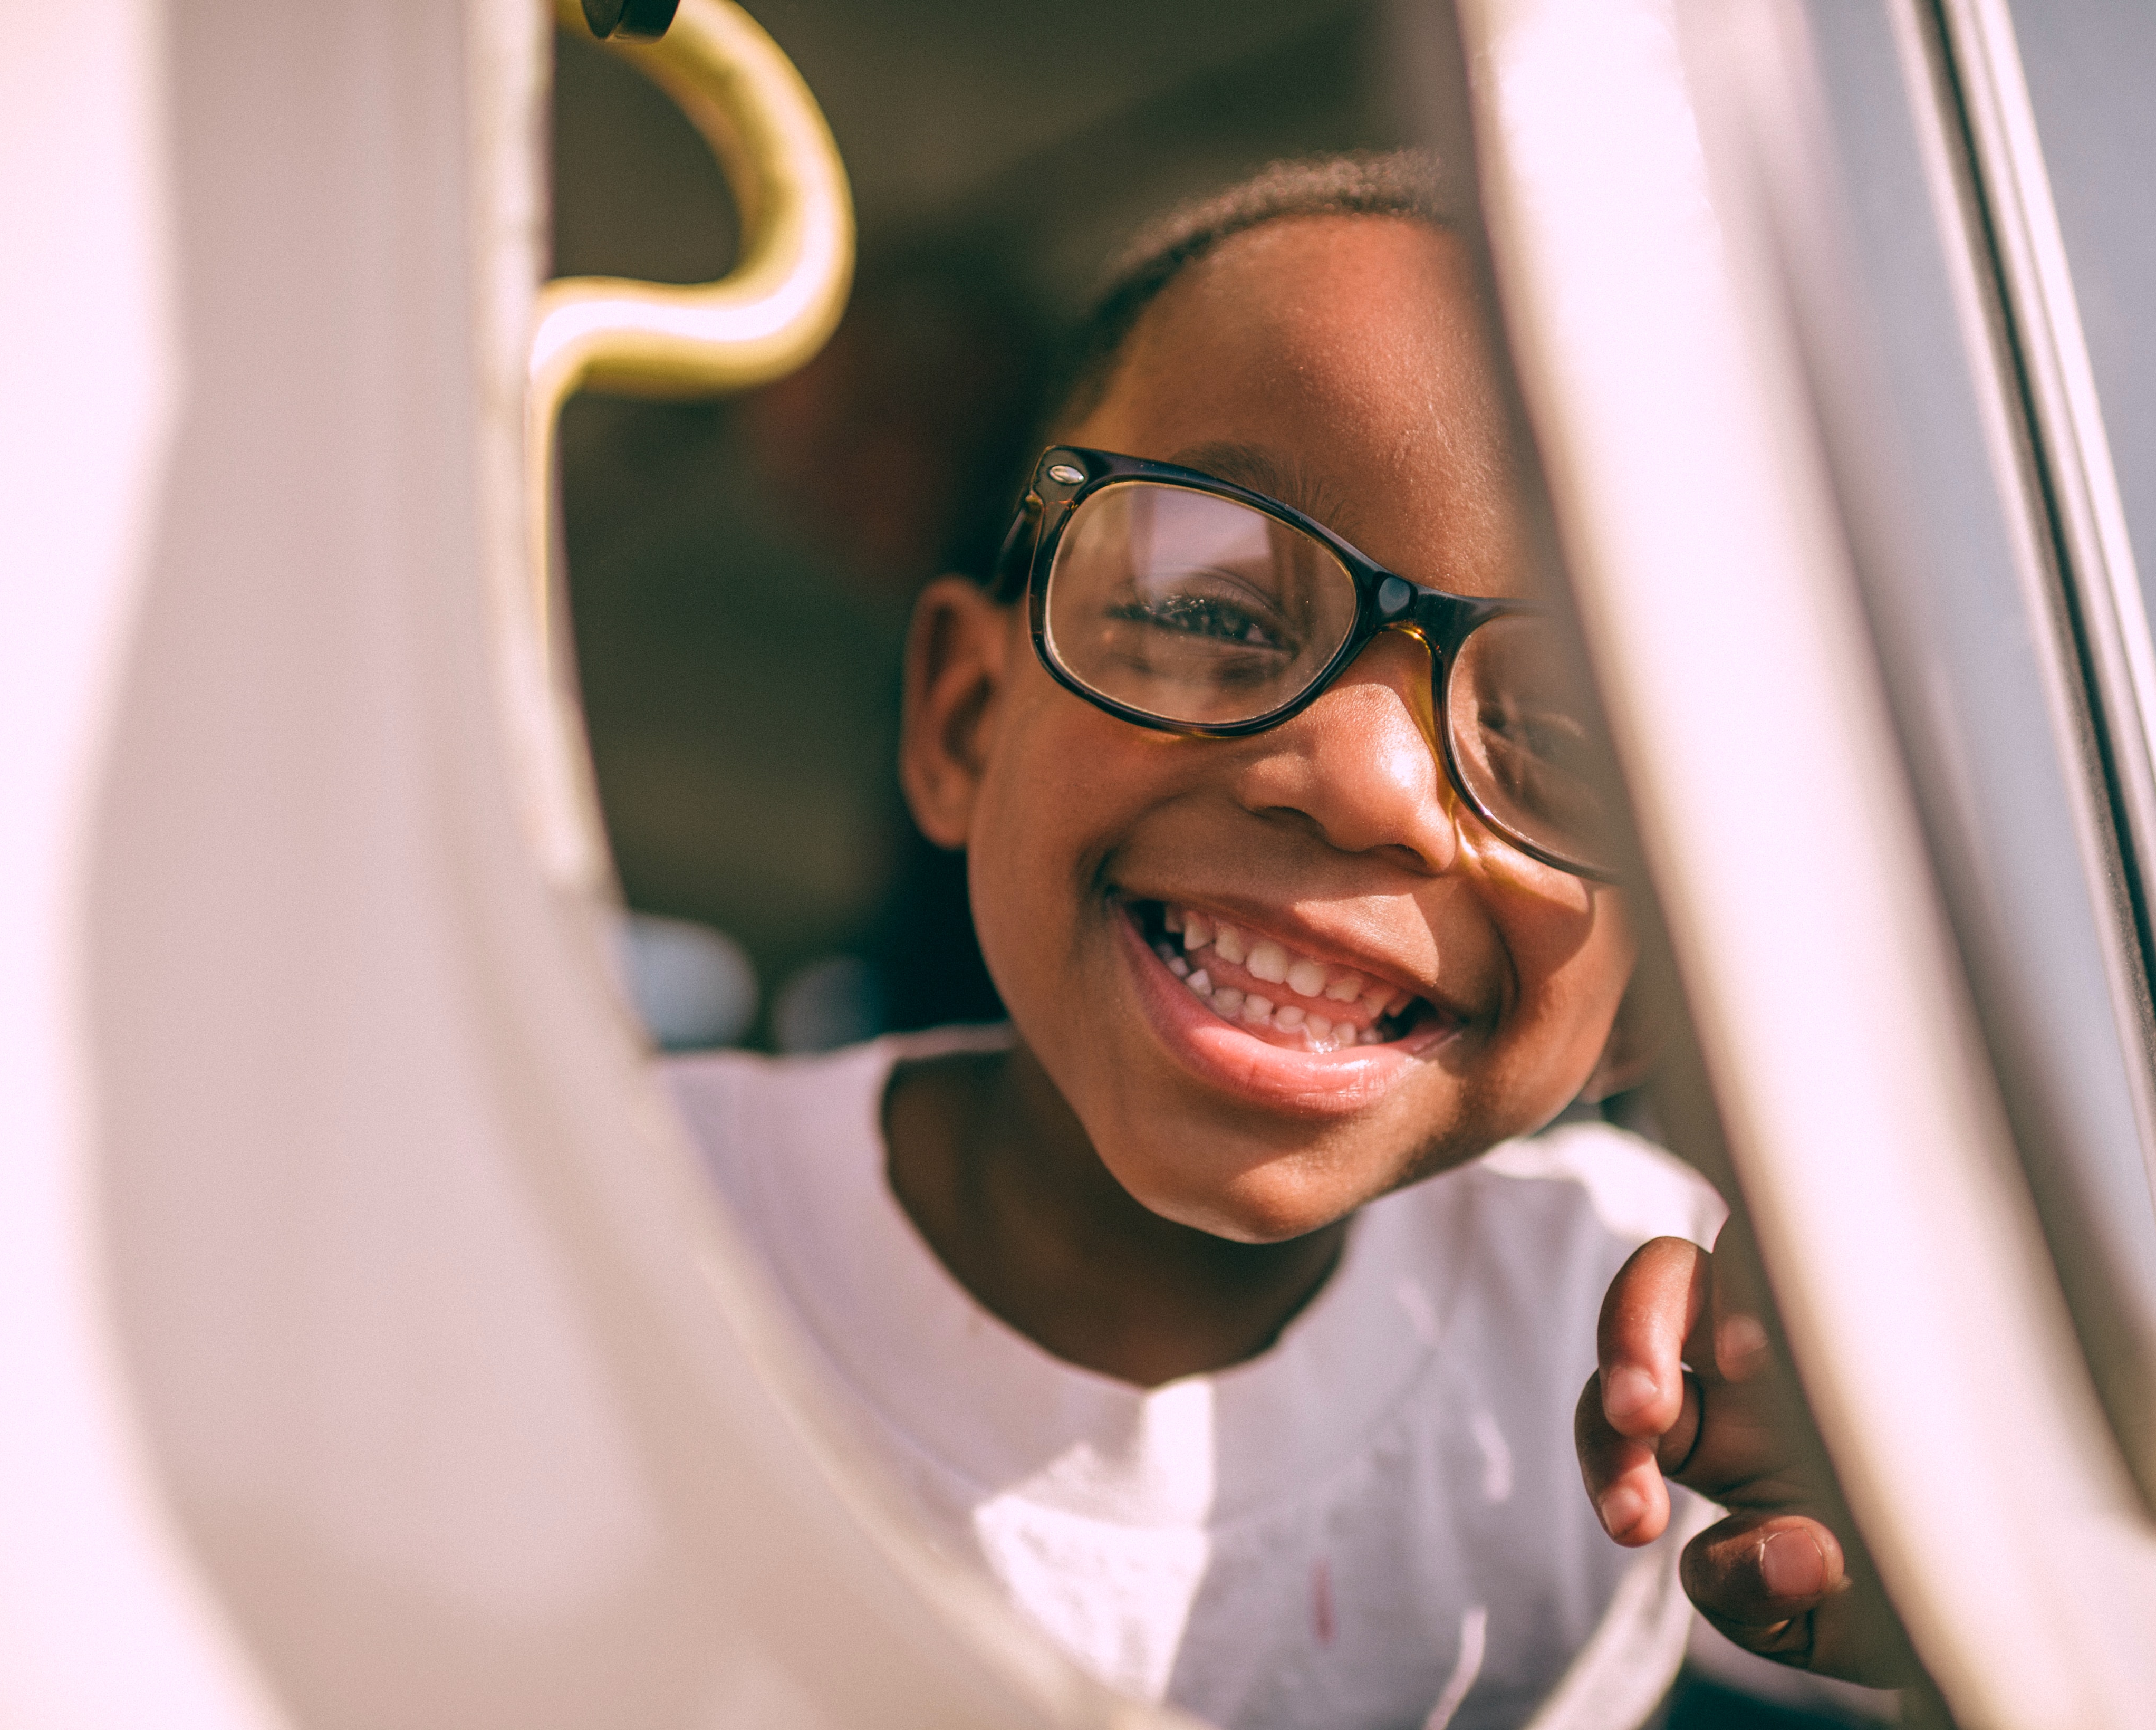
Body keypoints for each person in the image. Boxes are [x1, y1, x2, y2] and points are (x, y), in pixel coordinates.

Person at [661, 152, 1902, 1728]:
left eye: (1571, 738)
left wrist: (1953, 1558)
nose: (1367, 783)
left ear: (1669, 978)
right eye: (1215, 610)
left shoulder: (1627, 1366)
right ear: (967, 721)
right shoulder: (607, 1202)